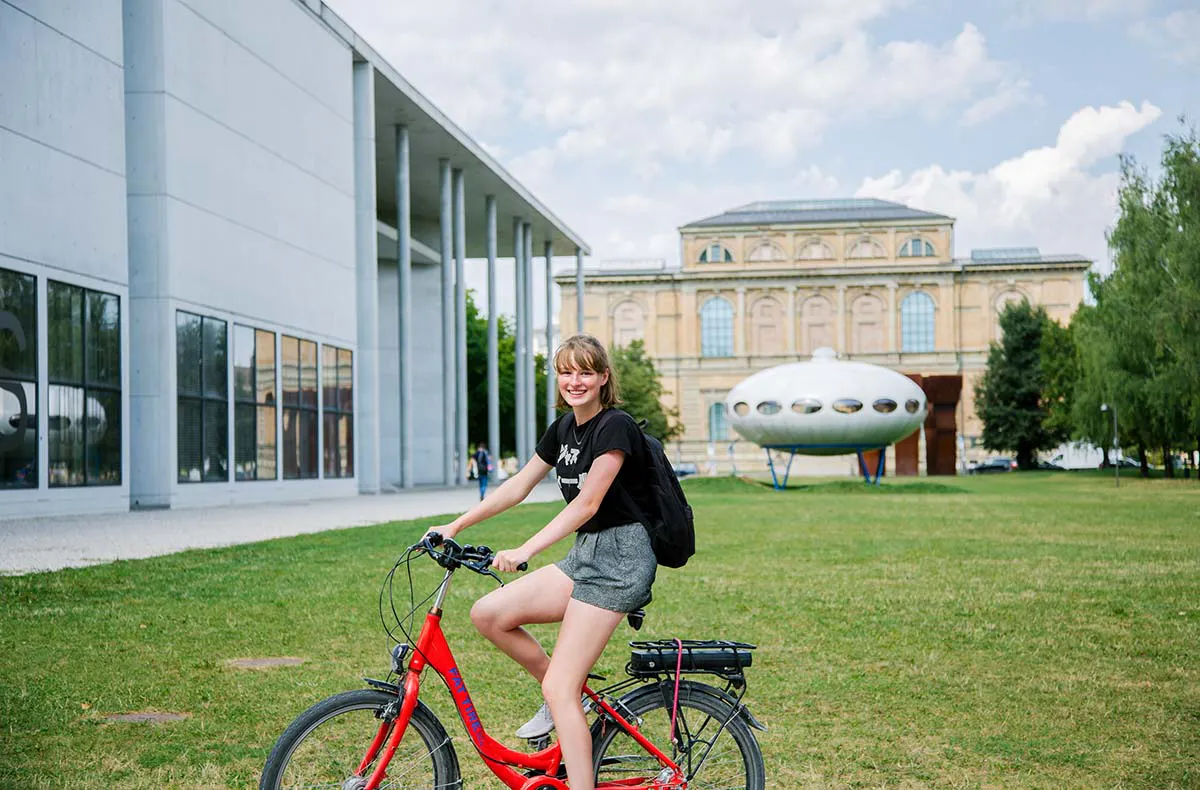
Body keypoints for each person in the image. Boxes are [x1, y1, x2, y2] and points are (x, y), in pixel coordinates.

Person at [424, 334, 655, 790]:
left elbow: (587, 504)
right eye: (567, 371)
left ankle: (567, 716)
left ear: (604, 378)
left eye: (586, 371)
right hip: (585, 557)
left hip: (620, 562)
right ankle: (569, 698)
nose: (575, 381)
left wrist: (526, 550)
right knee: (489, 613)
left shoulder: (616, 428)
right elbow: (517, 486)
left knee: (558, 688)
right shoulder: (564, 429)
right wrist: (455, 526)